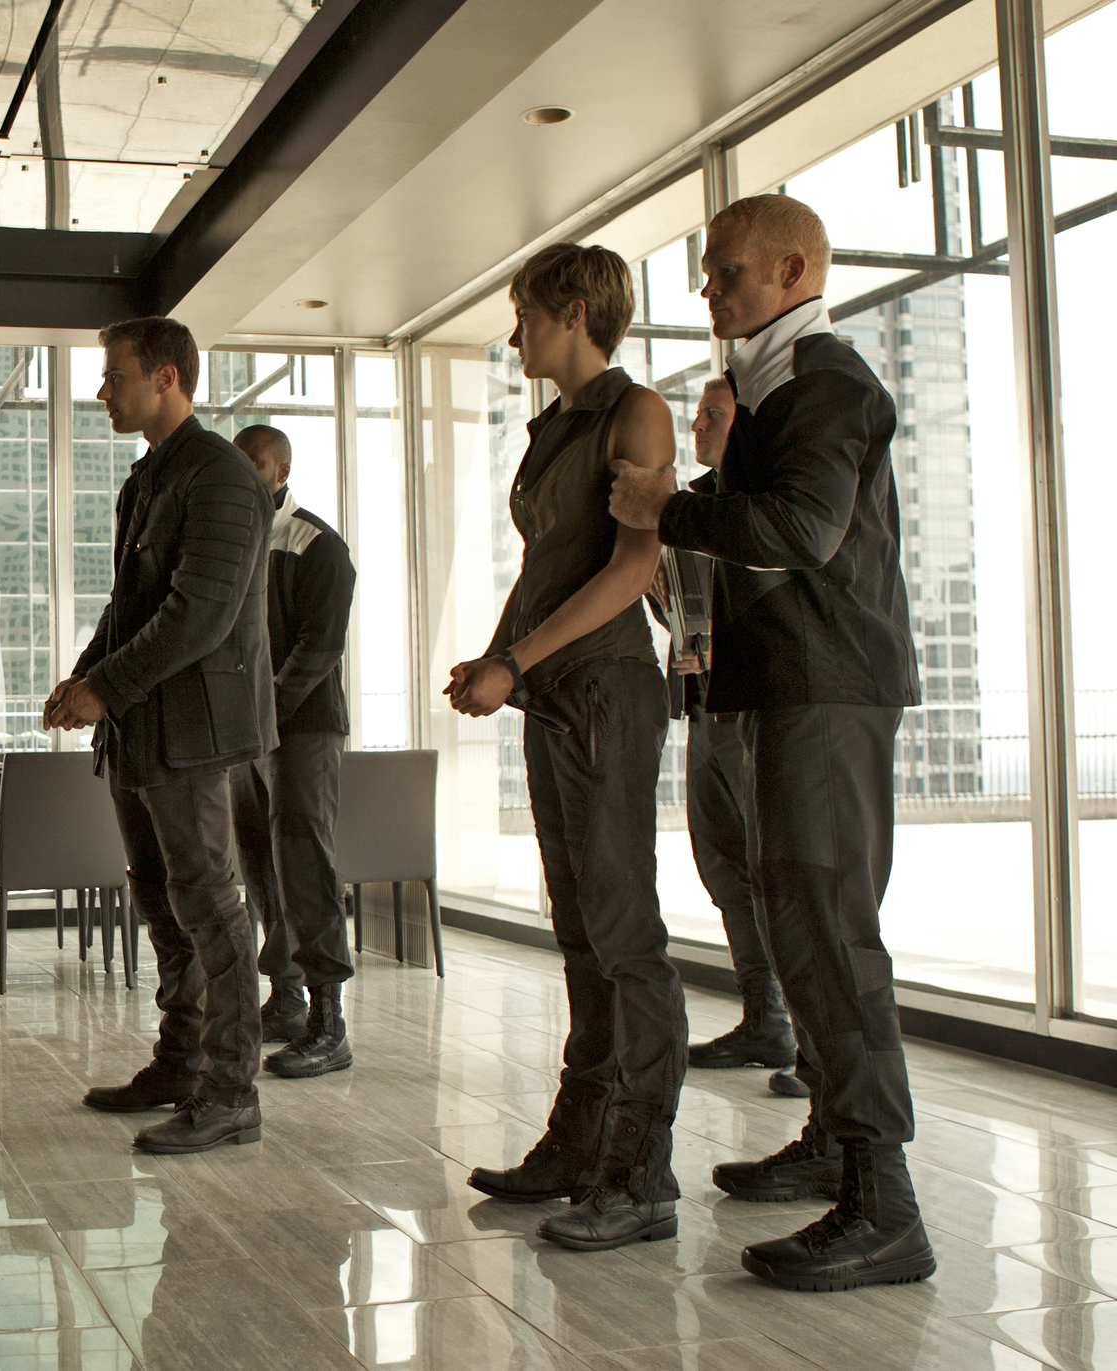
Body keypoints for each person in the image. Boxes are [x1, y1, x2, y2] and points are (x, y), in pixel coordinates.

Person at [610, 193, 933, 1291]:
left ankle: (882, 1205)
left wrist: (667, 505)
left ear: (792, 271)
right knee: (798, 923)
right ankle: (833, 1147)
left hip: (826, 689)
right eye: (706, 273)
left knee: (830, 932)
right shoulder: (769, 384)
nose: (708, 290)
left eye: (726, 272)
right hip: (787, 686)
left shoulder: (822, 382)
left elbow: (800, 530)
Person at [449, 242, 687, 1253]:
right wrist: (496, 657)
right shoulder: (556, 426)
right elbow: (550, 563)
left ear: (577, 310)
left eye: (525, 314)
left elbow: (631, 571)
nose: (515, 333)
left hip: (604, 689)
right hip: (556, 692)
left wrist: (517, 657)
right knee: (580, 930)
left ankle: (638, 1174)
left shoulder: (633, 412)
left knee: (621, 932)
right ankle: (578, 1143)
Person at [47, 316, 277, 1154]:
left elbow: (200, 616)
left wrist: (103, 689)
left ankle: (231, 1090)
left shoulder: (219, 476)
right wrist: (84, 676)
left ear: (167, 378)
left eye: (115, 376)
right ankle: (181, 1062)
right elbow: (130, 605)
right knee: (162, 900)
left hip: (192, 736)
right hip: (142, 730)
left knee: (212, 907)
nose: (103, 391)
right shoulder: (148, 479)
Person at [671, 380, 805, 1098]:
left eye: (712, 415)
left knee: (779, 873)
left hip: (758, 709)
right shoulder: (690, 506)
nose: (697, 425)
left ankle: (812, 1045)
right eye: (696, 414)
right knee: (722, 867)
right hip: (703, 710)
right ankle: (765, 1018)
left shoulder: (766, 502)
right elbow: (685, 607)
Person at [228, 424, 357, 1076]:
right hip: (248, 737)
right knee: (260, 866)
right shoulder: (238, 546)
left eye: (254, 466)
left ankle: (330, 1022)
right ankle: (285, 997)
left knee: (305, 863)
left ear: (279, 471)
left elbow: (320, 647)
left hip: (303, 731)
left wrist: (266, 711)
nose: (245, 477)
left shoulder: (318, 544)